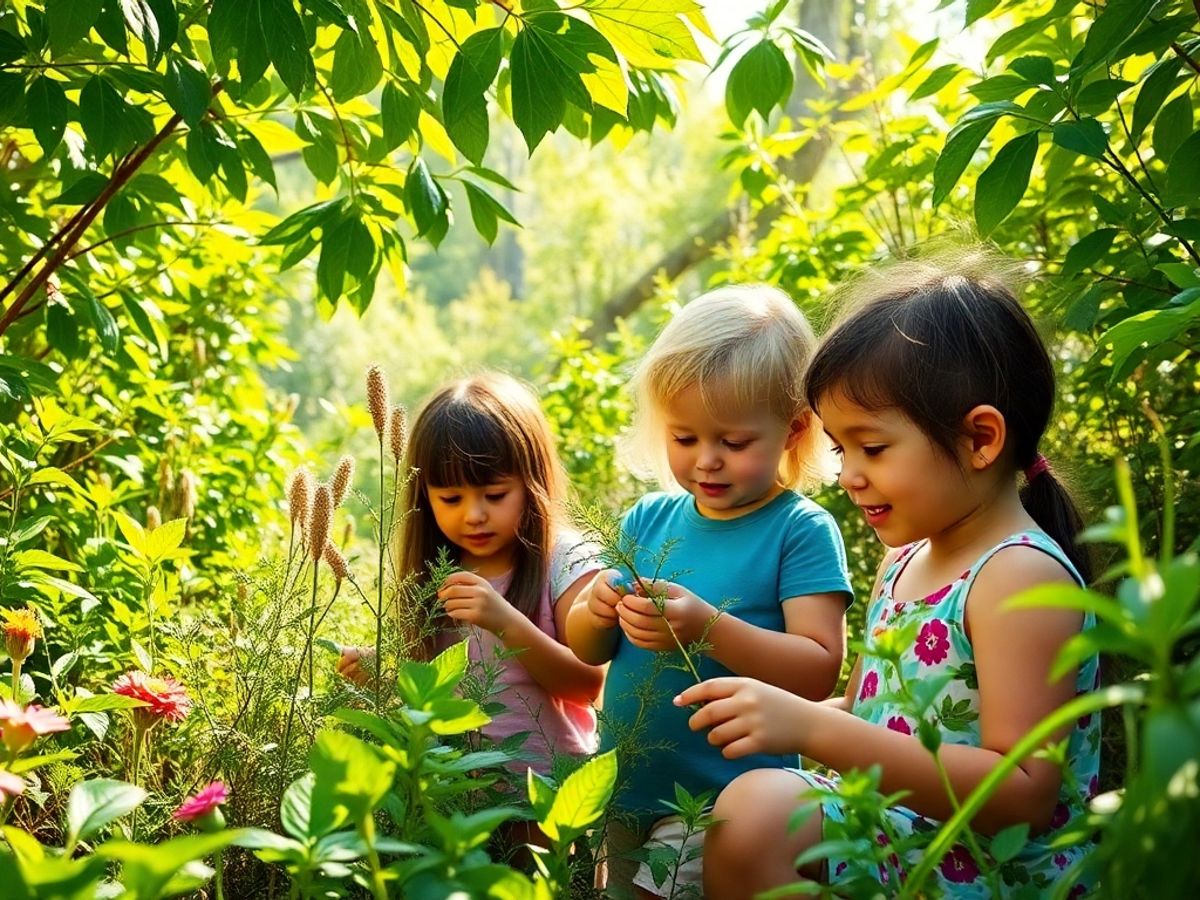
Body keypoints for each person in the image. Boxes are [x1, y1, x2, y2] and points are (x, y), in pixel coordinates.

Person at [676, 256, 1100, 898]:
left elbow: (1022, 794)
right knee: (748, 806)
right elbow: (882, 713)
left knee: (761, 813)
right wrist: (789, 716)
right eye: (842, 449)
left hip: (986, 869)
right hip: (903, 834)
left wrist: (815, 728)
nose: (847, 474)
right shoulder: (906, 560)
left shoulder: (1017, 576)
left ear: (980, 439)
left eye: (872, 448)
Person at [565, 285, 853, 898]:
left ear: (794, 430)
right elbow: (588, 651)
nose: (706, 461)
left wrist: (708, 629)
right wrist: (595, 609)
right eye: (685, 437)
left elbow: (819, 669)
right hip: (626, 781)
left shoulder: (798, 531)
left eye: (733, 441)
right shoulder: (648, 519)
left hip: (723, 796)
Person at [338, 372, 604, 784]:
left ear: (533, 481)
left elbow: (589, 684)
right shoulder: (433, 569)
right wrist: (386, 670)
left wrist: (505, 622)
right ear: (424, 497)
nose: (474, 515)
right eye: (450, 499)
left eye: (495, 495)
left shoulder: (564, 560)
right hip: (451, 790)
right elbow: (430, 684)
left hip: (546, 792)